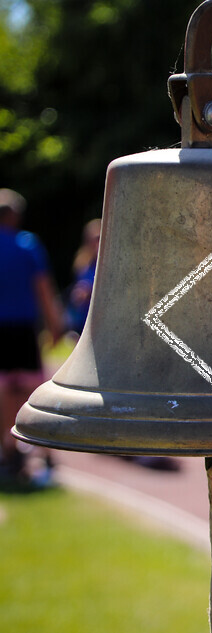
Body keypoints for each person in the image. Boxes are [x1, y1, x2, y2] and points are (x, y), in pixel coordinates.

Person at [0, 188, 64, 484]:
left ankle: (7, 448)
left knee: (3, 388)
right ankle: (31, 447)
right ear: (14, 215)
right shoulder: (27, 246)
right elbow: (44, 289)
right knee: (28, 389)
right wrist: (55, 326)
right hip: (23, 329)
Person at [67, 219, 101, 334]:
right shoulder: (82, 265)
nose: (97, 244)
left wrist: (91, 292)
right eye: (94, 240)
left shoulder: (113, 265)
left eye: (100, 239)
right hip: (84, 321)